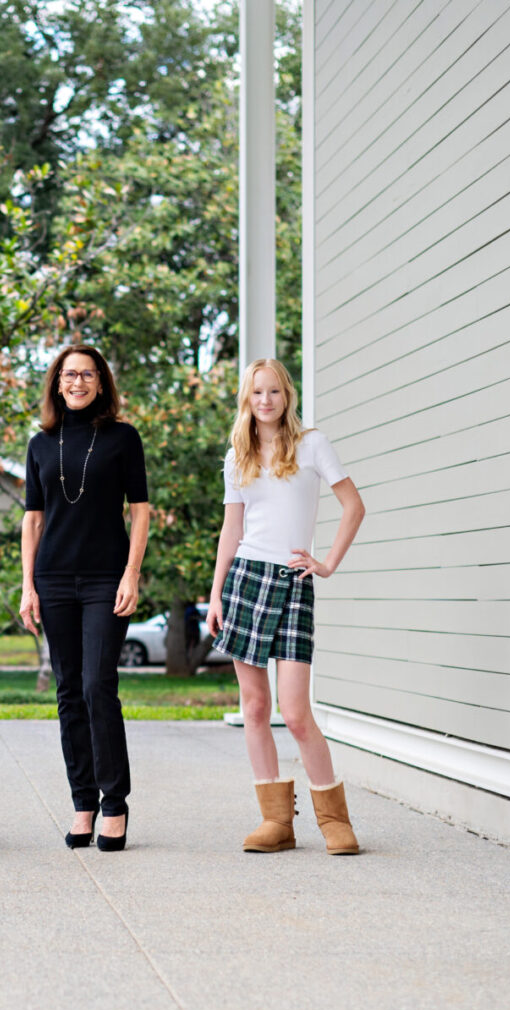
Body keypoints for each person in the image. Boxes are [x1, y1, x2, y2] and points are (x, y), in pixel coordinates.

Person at [205, 357, 366, 855]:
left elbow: (353, 506)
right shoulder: (238, 455)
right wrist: (215, 594)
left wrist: (328, 563)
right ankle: (276, 822)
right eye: (257, 393)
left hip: (294, 581)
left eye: (274, 392)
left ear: (286, 396)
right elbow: (232, 530)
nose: (266, 401)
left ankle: (334, 820)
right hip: (245, 581)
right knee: (255, 707)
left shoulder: (312, 444)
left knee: (295, 713)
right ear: (247, 400)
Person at [18, 345, 150, 852]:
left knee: (98, 686)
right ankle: (83, 803)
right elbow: (33, 520)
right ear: (56, 383)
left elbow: (139, 510)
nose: (77, 382)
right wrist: (28, 585)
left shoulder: (122, 438)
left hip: (105, 578)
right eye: (69, 374)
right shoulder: (39, 444)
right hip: (52, 580)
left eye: (87, 374)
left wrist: (131, 574)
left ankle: (114, 804)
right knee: (68, 692)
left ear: (101, 382)